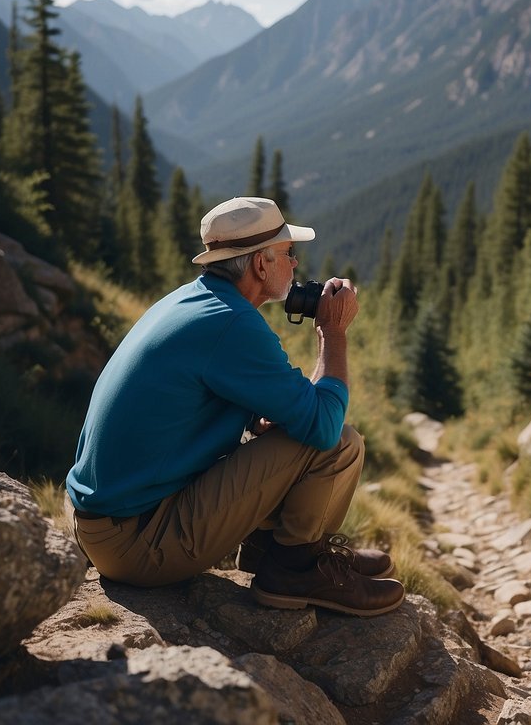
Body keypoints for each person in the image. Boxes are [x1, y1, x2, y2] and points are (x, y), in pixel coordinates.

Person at [65, 196, 404, 617]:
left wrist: (254, 419)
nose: (295, 265)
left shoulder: (193, 301)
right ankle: (295, 568)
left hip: (105, 522)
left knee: (290, 429)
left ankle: (274, 551)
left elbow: (195, 401)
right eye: (288, 253)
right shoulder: (231, 323)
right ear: (261, 265)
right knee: (341, 444)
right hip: (136, 542)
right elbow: (323, 427)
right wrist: (332, 333)